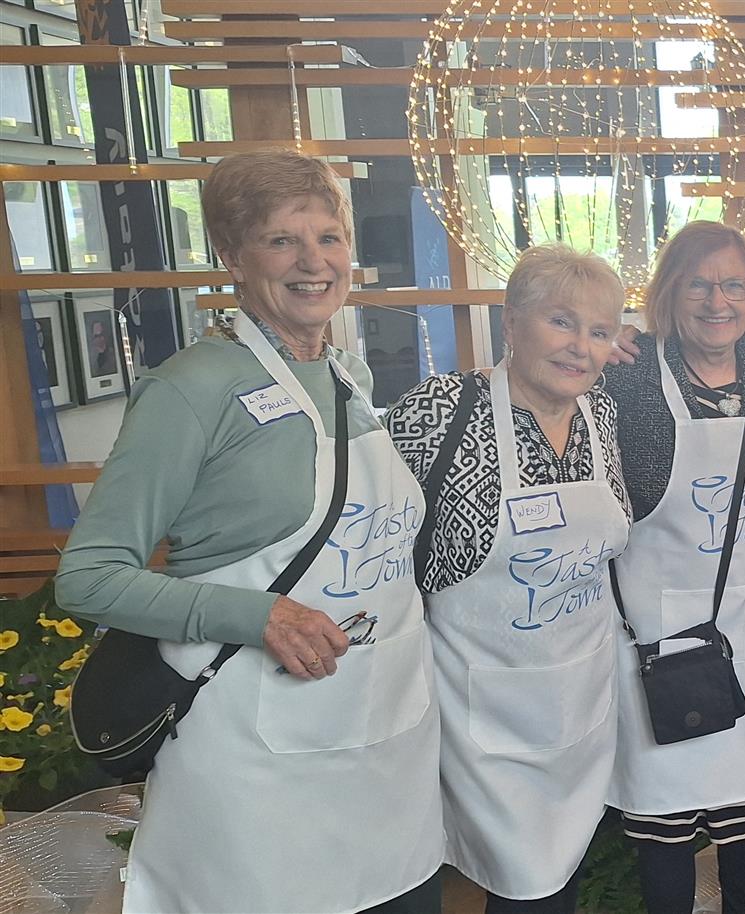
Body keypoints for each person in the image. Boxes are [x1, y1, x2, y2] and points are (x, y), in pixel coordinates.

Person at [54, 148, 442, 914]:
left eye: (328, 237)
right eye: (281, 240)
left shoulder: (349, 376)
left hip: (383, 738)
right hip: (253, 759)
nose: (313, 261)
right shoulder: (191, 389)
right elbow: (88, 576)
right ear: (233, 256)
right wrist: (257, 615)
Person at [387, 244, 631, 914]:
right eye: (561, 321)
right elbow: (383, 542)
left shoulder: (600, 413)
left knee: (561, 881)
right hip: (482, 718)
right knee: (521, 887)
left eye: (600, 332)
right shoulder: (442, 411)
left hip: (582, 705)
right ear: (512, 322)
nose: (580, 347)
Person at [602, 221, 745, 914]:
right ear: (670, 291)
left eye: (735, 285)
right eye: (699, 284)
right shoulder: (628, 373)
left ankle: (739, 906)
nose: (718, 301)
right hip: (661, 626)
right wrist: (603, 337)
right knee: (666, 813)